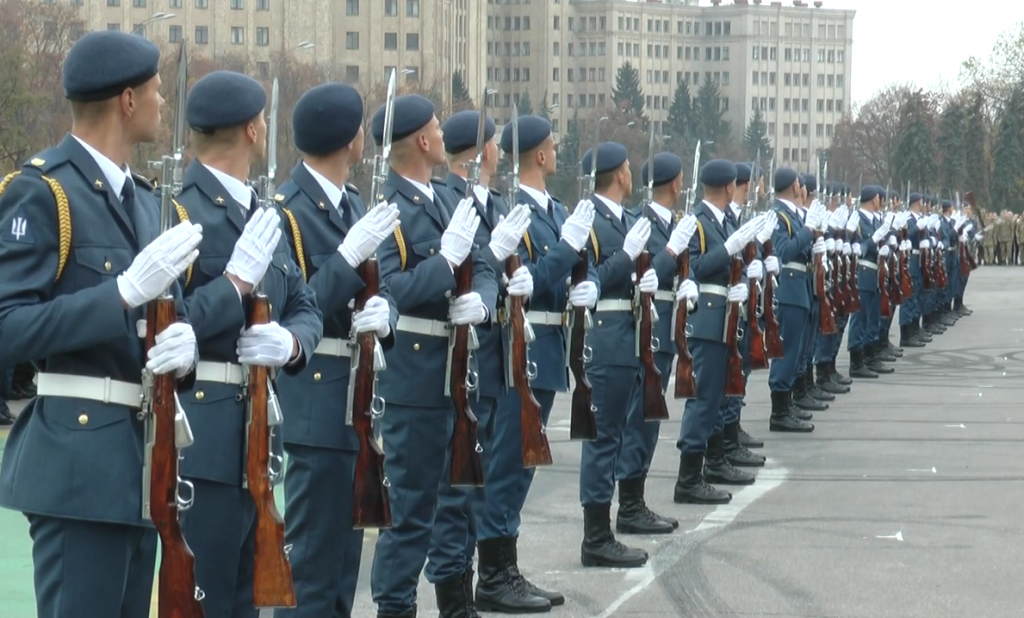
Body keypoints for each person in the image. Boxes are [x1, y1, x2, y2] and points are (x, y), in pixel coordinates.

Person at [0, 31, 204, 617]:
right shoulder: (45, 192)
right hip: (75, 466)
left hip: (140, 464)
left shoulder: (147, 202)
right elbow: (9, 326)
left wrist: (183, 346)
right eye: (158, 91)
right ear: (128, 101)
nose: (166, 104)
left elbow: (159, 319)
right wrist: (117, 294)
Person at [173, 70, 323, 618]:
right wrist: (230, 289)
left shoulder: (266, 216)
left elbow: (306, 306)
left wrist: (290, 343)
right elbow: (170, 326)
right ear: (254, 130)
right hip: (204, 445)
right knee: (205, 598)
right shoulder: (179, 212)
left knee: (246, 601)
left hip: (259, 442)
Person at [273, 83, 399, 618]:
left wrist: (385, 316)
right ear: (352, 140)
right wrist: (347, 258)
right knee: (311, 568)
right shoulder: (288, 211)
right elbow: (296, 308)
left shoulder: (354, 203)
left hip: (356, 404)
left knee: (344, 569)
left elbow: (384, 287)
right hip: (314, 406)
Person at [370, 94, 498, 618]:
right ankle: (395, 607)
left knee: (459, 498)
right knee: (409, 515)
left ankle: (454, 604)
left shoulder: (446, 200)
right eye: (438, 128)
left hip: (454, 380)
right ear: (422, 141)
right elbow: (386, 290)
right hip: (413, 383)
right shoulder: (389, 211)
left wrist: (482, 302)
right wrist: (445, 267)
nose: (445, 135)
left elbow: (485, 263)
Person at [478, 114, 596, 609]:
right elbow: (523, 279)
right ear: (541, 155)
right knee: (508, 463)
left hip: (548, 350)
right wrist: (567, 251)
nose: (557, 153)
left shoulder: (555, 209)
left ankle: (506, 566)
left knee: (523, 464)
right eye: (553, 145)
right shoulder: (513, 212)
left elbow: (559, 277)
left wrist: (579, 284)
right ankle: (494, 575)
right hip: (519, 352)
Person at [430, 109, 538, 613]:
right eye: (494, 142)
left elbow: (491, 266)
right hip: (463, 362)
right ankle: (457, 597)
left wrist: (516, 279)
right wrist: (493, 266)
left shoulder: (494, 203)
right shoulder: (448, 201)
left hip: (495, 360)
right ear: (484, 151)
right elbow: (465, 266)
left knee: (478, 486)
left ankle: (482, 582)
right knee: (458, 489)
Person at [673, 160, 766, 504]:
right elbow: (694, 268)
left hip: (726, 319)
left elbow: (732, 268)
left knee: (713, 399)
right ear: (729, 188)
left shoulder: (725, 221)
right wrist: (728, 249)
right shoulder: (697, 222)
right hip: (707, 321)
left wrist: (745, 276)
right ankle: (688, 478)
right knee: (701, 400)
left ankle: (712, 463)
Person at [616, 152, 700, 532]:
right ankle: (630, 504)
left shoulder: (671, 224)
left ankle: (637, 498)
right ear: (675, 183)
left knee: (649, 420)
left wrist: (689, 279)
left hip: (667, 332)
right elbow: (646, 274)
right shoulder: (644, 224)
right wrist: (671, 254)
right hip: (648, 332)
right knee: (640, 419)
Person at [766, 168, 823, 431]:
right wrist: (808, 231)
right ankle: (779, 412)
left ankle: (786, 405)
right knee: (786, 351)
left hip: (800, 287)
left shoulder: (790, 214)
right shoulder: (779, 216)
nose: (802, 186)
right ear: (792, 186)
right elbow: (784, 251)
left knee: (796, 350)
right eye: (799, 182)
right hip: (788, 289)